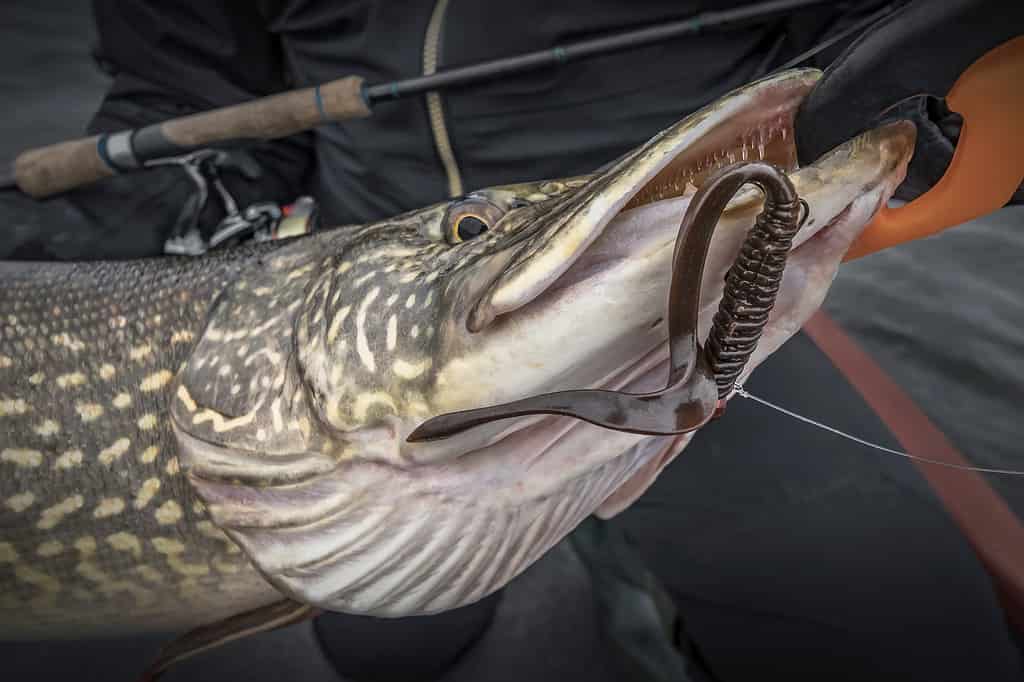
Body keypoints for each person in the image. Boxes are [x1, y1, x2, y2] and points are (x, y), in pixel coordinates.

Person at [3, 2, 1022, 681]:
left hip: (684, 282)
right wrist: (148, 209)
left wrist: (947, 77)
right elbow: (191, 105)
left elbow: (900, 38)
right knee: (406, 651)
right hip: (388, 284)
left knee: (900, 626)